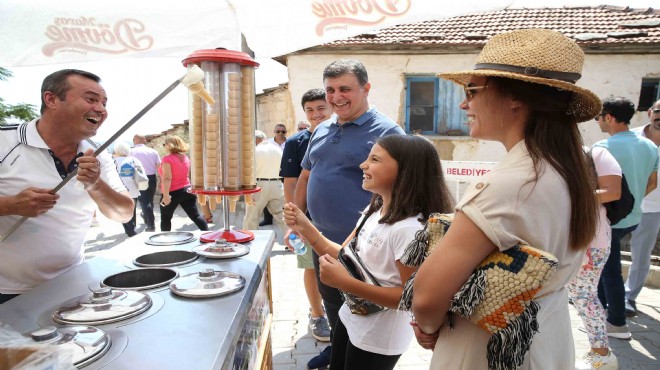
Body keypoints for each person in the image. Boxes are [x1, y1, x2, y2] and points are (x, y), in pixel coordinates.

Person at [411, 29, 602, 369]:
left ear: (515, 97)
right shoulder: (567, 171)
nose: (463, 103)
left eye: (472, 90)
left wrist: (427, 328)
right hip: (546, 340)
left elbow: (426, 298)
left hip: (488, 350)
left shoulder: (512, 183)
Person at [284, 135, 453, 370]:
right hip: (350, 316)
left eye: (374, 159)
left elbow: (412, 298)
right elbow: (344, 255)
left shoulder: (409, 229)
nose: (363, 165)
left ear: (405, 171)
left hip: (378, 339)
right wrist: (306, 227)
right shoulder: (376, 209)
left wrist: (346, 283)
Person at [292, 59, 405, 369]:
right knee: (331, 300)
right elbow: (306, 175)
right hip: (320, 239)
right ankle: (336, 352)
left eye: (345, 89)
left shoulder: (388, 132)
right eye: (330, 90)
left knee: (361, 308)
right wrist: (297, 220)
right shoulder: (322, 128)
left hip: (361, 247)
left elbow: (401, 192)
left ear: (366, 89)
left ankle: (358, 358)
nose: (336, 97)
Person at [0, 69, 134, 303]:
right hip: (5, 291)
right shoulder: (5, 142)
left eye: (103, 103)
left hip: (72, 283)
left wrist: (96, 185)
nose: (101, 109)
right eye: (91, 99)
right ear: (51, 99)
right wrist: (11, 205)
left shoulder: (99, 153)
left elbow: (124, 213)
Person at [594, 97, 658, 339]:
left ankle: (617, 324)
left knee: (609, 270)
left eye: (598, 117)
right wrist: (631, 203)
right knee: (605, 267)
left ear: (608, 117)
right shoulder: (650, 146)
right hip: (634, 216)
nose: (598, 121)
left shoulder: (603, 147)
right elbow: (652, 183)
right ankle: (600, 313)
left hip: (609, 218)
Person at [280, 88, 332, 342]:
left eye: (321, 108)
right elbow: (290, 183)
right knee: (310, 266)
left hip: (338, 217)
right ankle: (317, 313)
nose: (316, 114)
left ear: (331, 107)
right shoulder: (295, 143)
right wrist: (293, 220)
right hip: (307, 218)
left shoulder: (340, 136)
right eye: (310, 110)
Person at [568, 146, 622, 370]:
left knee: (584, 297)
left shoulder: (596, 154)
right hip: (564, 239)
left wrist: (568, 196)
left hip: (591, 239)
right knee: (573, 297)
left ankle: (601, 355)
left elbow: (612, 191)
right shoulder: (553, 152)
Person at [625, 99, 660, 316]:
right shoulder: (632, 137)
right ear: (649, 112)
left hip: (654, 208)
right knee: (605, 250)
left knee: (641, 255)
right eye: (658, 111)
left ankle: (629, 297)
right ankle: (596, 293)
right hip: (625, 205)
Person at [158, 135, 208, 231]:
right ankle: (208, 235)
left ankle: (164, 241)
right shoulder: (185, 158)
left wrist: (166, 196)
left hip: (172, 192)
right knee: (195, 216)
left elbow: (167, 178)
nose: (164, 146)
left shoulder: (167, 159)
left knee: (165, 219)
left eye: (164, 144)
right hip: (187, 190)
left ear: (169, 145)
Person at [243, 130, 288, 236]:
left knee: (252, 216)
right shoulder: (277, 149)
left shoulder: (254, 150)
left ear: (256, 140)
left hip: (259, 185)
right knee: (282, 216)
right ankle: (294, 240)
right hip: (277, 184)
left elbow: (248, 171)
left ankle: (250, 240)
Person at [113, 142, 147, 237]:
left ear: (117, 151)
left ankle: (130, 231)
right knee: (132, 209)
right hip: (133, 189)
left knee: (122, 211)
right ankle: (132, 228)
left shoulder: (114, 161)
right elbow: (142, 173)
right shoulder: (134, 160)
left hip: (119, 190)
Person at [130, 134, 161, 231]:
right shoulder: (153, 151)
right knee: (149, 200)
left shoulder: (130, 152)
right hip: (152, 177)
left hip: (138, 177)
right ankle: (146, 217)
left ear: (134, 140)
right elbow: (158, 166)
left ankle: (151, 224)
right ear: (144, 140)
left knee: (144, 201)